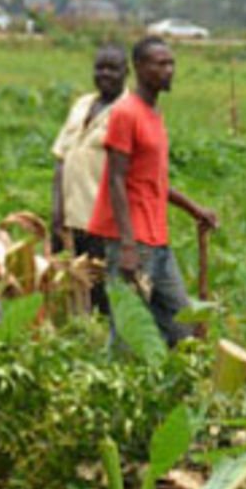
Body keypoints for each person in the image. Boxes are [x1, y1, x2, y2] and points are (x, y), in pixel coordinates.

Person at [86, 36, 218, 345]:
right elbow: (116, 179)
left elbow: (152, 181)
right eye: (160, 64)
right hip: (133, 242)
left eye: (171, 64)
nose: (168, 70)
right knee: (128, 333)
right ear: (140, 68)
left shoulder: (154, 115)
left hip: (157, 240)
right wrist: (128, 246)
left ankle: (180, 388)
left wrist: (194, 209)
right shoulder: (126, 113)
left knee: (182, 329)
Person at [50, 43, 128, 315]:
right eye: (99, 67)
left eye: (112, 68)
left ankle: (108, 347)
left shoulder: (130, 113)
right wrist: (57, 209)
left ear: (126, 73)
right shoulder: (81, 105)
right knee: (76, 287)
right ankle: (84, 340)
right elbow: (61, 159)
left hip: (106, 222)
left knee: (105, 292)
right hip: (73, 217)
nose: (105, 74)